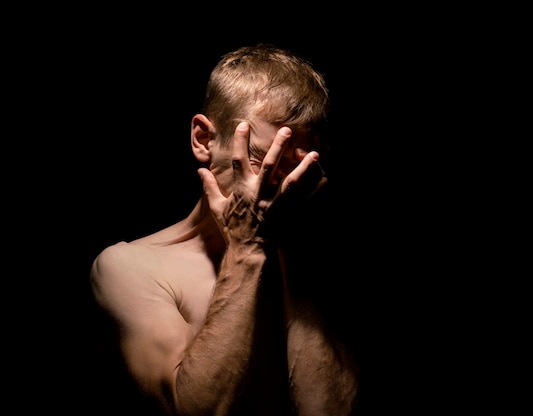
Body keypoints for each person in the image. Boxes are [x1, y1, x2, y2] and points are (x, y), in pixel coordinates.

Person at [90, 43, 360, 415]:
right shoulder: (128, 267)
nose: (283, 186)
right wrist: (247, 248)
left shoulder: (322, 264)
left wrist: (285, 250)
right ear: (204, 140)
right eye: (263, 161)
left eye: (297, 169)